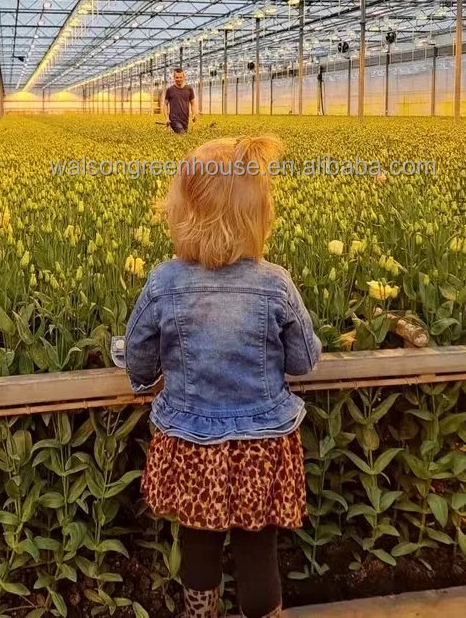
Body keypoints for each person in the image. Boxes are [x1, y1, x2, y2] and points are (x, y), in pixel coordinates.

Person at [111, 135, 322, 618]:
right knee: (257, 548)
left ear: (182, 213)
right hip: (261, 446)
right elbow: (304, 360)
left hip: (191, 443)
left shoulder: (165, 280)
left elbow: (140, 359)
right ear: (259, 216)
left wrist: (145, 381)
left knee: (199, 544)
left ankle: (199, 612)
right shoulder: (275, 282)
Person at [163, 68, 197, 134]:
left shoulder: (189, 89)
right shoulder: (170, 90)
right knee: (182, 134)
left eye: (180, 77)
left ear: (184, 77)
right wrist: (167, 118)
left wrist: (194, 114)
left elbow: (193, 103)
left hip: (185, 119)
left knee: (183, 136)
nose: (179, 79)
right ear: (174, 78)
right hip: (174, 119)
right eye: (177, 77)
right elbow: (165, 104)